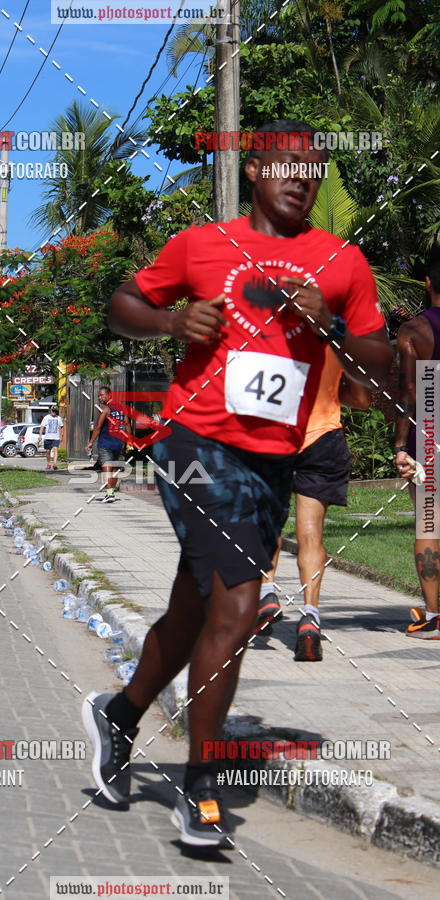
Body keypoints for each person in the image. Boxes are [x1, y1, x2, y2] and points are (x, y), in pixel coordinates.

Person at [81, 119, 392, 847]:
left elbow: (377, 359)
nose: (301, 179)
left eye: (313, 170)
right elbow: (122, 304)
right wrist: (169, 319)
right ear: (253, 171)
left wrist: (334, 330)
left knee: (199, 608)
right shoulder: (200, 245)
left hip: (271, 460)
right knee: (244, 598)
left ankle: (119, 715)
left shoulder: (343, 262)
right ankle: (202, 786)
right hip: (192, 443)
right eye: (287, 166)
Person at [259, 346, 371, 661]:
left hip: (274, 436)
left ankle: (267, 592)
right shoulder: (337, 338)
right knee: (311, 533)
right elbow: (362, 399)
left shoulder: (269, 332)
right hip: (324, 439)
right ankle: (310, 616)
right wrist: (332, 395)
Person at [395, 245, 440, 638]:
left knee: (429, 523)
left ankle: (434, 615)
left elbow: (410, 390)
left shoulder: (414, 331)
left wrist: (399, 446)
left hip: (430, 429)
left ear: (428, 284)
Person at [85, 386, 131, 502]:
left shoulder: (106, 409)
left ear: (109, 395)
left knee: (107, 469)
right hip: (119, 443)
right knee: (114, 470)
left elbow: (98, 427)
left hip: (106, 443)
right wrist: (129, 441)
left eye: (102, 395)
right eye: (99, 396)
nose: (100, 398)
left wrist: (90, 442)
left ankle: (110, 494)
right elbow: (127, 425)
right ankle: (111, 493)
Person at [40, 406, 63, 471]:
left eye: (55, 411)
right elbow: (42, 427)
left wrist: (61, 436)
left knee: (55, 449)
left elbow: (60, 427)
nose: (54, 413)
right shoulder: (46, 417)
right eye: (53, 411)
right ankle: (48, 463)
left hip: (56, 437)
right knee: (48, 451)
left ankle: (55, 464)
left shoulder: (59, 418)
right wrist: (40, 435)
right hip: (47, 437)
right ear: (51, 411)